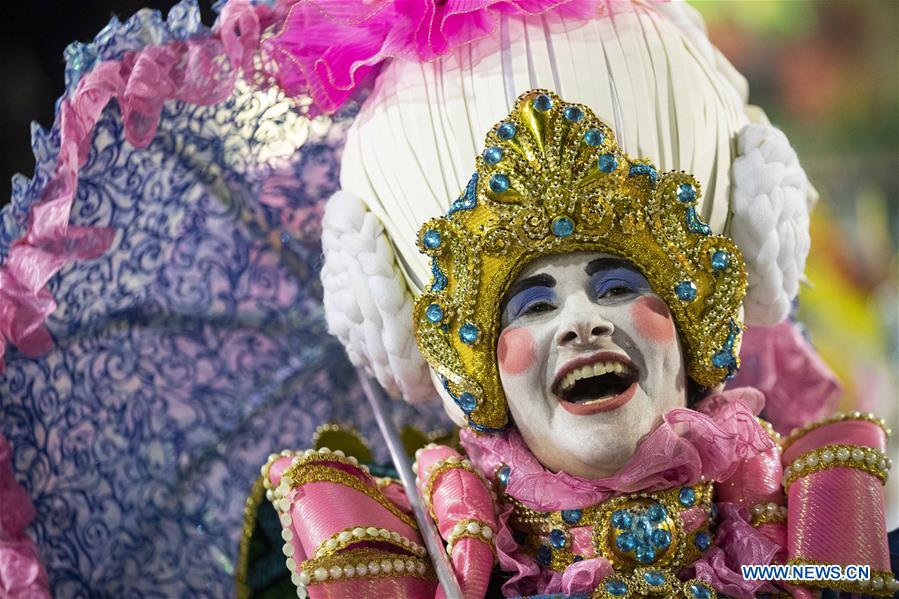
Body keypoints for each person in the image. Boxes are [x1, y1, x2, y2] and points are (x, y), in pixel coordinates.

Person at [0, 1, 894, 597]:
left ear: (700, 305)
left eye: (617, 284)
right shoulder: (408, 560)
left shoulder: (802, 529)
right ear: (464, 353)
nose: (579, 322)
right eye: (529, 304)